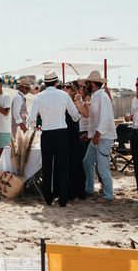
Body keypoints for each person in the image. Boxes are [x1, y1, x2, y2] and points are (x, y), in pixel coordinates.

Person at [27, 70, 80, 207]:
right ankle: (63, 199)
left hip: (47, 134)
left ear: (44, 82)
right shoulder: (63, 95)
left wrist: (29, 121)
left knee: (47, 166)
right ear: (56, 83)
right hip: (62, 133)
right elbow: (75, 115)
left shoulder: (39, 97)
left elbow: (31, 119)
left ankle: (48, 198)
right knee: (63, 166)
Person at [78, 71, 117, 204]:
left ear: (93, 83)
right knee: (87, 162)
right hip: (96, 136)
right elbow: (94, 119)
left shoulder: (103, 97)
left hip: (103, 137)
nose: (85, 85)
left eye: (87, 83)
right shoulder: (96, 96)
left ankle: (108, 195)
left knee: (102, 167)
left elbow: (106, 118)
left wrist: (97, 134)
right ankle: (89, 189)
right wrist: (89, 134)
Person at [63, 82, 86, 201]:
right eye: (64, 87)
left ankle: (79, 191)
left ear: (73, 91)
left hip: (75, 136)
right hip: (65, 136)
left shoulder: (76, 103)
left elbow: (84, 114)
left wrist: (78, 102)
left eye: (68, 87)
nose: (65, 89)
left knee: (76, 164)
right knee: (68, 165)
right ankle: (69, 191)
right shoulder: (62, 103)